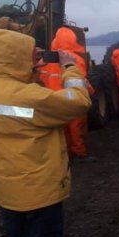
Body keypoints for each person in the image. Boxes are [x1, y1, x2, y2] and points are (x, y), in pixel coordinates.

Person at [0, 29, 91, 237]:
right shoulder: (28, 96)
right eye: (31, 55)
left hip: (6, 188)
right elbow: (78, 102)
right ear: (14, 58)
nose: (36, 60)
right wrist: (71, 67)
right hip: (38, 190)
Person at [41, 27, 96, 162]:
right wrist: (90, 92)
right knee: (76, 127)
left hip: (53, 100)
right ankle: (79, 153)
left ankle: (65, 154)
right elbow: (80, 80)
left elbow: (41, 81)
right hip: (71, 98)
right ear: (73, 40)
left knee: (61, 129)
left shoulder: (44, 60)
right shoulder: (75, 59)